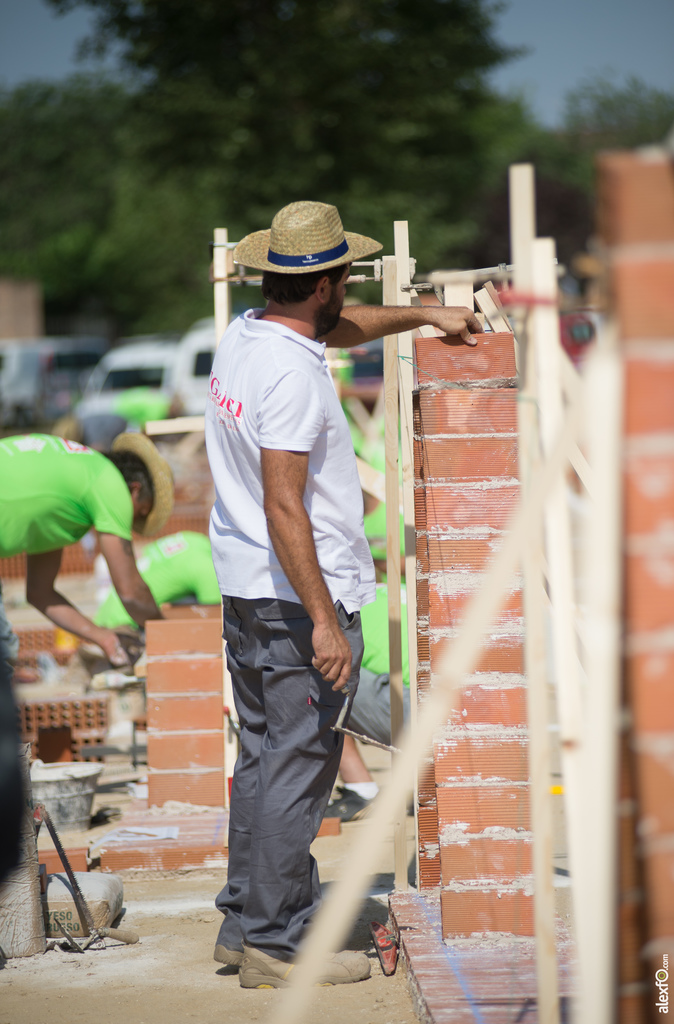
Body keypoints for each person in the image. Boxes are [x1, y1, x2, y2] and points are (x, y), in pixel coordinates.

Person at [205, 200, 481, 989]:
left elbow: (343, 325)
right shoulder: (291, 374)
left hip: (250, 592)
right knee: (295, 773)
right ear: (322, 283)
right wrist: (324, 621)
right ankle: (277, 945)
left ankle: (243, 921)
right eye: (344, 279)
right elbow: (283, 502)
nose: (348, 290)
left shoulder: (250, 333)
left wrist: (431, 316)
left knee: (262, 763)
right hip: (295, 600)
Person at [0, 432, 174, 667]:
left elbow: (40, 593)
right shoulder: (110, 483)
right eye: (141, 511)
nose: (130, 524)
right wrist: (168, 635)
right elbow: (130, 591)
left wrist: (104, 638)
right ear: (134, 490)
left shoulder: (73, 488)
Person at [324, 583, 410, 822]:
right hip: (463, 717)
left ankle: (361, 790)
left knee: (319, 678)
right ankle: (425, 784)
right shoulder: (393, 589)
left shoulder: (342, 609)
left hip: (422, 722)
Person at [94, 531, 220, 629]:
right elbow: (214, 614)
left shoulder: (192, 540)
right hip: (125, 625)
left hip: (105, 616)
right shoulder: (205, 566)